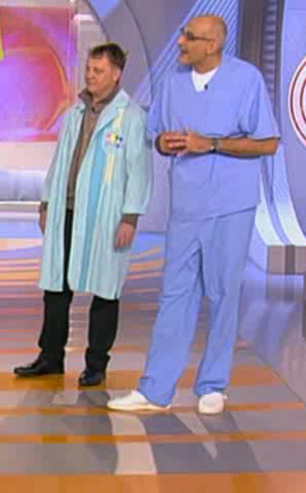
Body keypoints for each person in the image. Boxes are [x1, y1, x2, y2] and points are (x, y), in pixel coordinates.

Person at [108, 16, 280, 414]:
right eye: (183, 34)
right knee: (174, 295)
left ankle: (213, 385)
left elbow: (268, 143)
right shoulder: (172, 83)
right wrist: (164, 144)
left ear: (213, 45)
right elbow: (156, 136)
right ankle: (156, 390)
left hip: (231, 206)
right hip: (186, 206)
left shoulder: (246, 79)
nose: (181, 42)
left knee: (222, 294)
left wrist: (212, 143)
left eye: (190, 37)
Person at [13, 43, 153, 386]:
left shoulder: (131, 117)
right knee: (56, 288)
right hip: (67, 210)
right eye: (89, 69)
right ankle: (50, 356)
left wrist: (130, 217)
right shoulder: (74, 112)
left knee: (105, 290)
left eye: (98, 71)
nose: (90, 76)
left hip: (106, 216)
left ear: (116, 74)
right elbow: (59, 161)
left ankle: (96, 364)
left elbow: (139, 171)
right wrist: (46, 203)